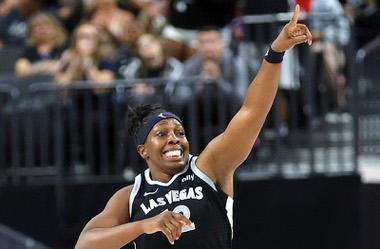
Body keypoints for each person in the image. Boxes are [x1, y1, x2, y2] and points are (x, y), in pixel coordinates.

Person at [74, 4, 312, 249]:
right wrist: (144, 225)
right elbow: (84, 244)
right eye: (162, 134)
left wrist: (275, 53)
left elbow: (252, 112)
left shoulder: (208, 168)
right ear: (143, 150)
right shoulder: (130, 196)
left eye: (179, 132)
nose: (175, 139)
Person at [14, 11, 67, 77]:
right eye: (38, 26)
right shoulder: (27, 52)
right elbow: (21, 71)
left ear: (56, 29)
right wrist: (42, 67)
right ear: (31, 32)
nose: (43, 29)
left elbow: (69, 64)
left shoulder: (64, 48)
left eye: (46, 25)